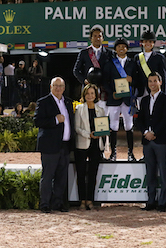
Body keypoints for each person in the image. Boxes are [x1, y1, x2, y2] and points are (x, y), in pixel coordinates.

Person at [34, 77, 75, 213]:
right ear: (50, 87)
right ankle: (45, 204)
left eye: (60, 86)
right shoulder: (43, 102)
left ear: (64, 88)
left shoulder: (68, 102)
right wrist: (55, 120)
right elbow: (37, 121)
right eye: (55, 85)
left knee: (61, 176)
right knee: (48, 176)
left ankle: (58, 203)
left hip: (65, 145)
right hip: (50, 146)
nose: (58, 88)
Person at [136, 72, 166, 212]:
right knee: (150, 173)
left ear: (160, 82)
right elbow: (140, 119)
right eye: (150, 81)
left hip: (161, 140)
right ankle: (151, 201)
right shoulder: (144, 100)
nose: (152, 83)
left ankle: (162, 202)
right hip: (147, 141)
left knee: (163, 172)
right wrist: (146, 132)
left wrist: (154, 133)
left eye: (155, 81)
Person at [103, 38, 137, 161]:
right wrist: (111, 92)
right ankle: (113, 153)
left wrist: (132, 80)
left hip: (128, 99)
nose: (121, 48)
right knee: (113, 126)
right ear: (115, 49)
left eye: (124, 46)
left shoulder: (132, 63)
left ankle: (130, 153)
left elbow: (137, 80)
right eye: (119, 46)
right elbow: (105, 81)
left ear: (127, 49)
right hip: (114, 99)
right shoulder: (109, 63)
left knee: (129, 126)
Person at [74, 84, 105, 211]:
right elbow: (77, 128)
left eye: (92, 93)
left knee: (93, 174)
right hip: (82, 144)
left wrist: (102, 133)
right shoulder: (79, 108)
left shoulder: (100, 110)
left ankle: (90, 200)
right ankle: (82, 201)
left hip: (96, 145)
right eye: (88, 93)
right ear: (84, 95)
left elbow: (103, 128)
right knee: (81, 174)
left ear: (96, 95)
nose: (90, 96)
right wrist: (89, 135)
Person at [73, 25, 112, 98]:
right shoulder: (84, 52)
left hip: (104, 89)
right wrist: (84, 80)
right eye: (95, 36)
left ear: (102, 38)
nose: (97, 38)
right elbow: (76, 70)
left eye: (99, 36)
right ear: (91, 38)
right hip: (89, 89)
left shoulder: (109, 53)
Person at [134, 30, 166, 103]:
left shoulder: (159, 57)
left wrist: (163, 93)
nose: (148, 44)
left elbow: (163, 76)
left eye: (150, 42)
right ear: (142, 43)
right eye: (145, 41)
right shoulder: (137, 57)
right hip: (141, 91)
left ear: (153, 43)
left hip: (155, 90)